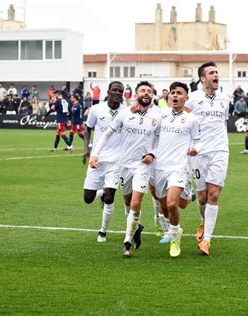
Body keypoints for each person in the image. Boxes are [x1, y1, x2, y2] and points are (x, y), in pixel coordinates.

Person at [90, 81, 162, 257]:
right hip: (123, 165)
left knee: (136, 203)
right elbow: (107, 134)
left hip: (142, 165)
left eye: (149, 91)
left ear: (152, 95)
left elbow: (161, 140)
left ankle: (127, 242)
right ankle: (136, 229)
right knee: (128, 203)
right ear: (136, 94)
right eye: (142, 91)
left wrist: (152, 153)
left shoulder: (158, 116)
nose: (146, 93)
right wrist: (95, 154)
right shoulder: (124, 113)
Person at [186, 61, 230, 256]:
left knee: (214, 195)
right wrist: (190, 146)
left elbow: (223, 122)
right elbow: (183, 122)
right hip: (198, 153)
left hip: (220, 151)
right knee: (202, 197)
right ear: (203, 78)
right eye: (211, 72)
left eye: (217, 72)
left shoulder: (224, 98)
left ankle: (207, 240)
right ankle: (203, 221)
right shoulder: (192, 99)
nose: (216, 75)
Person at [153, 81, 200, 257]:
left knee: (172, 203)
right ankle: (187, 197)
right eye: (172, 92)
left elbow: (198, 140)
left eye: (179, 93)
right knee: (167, 204)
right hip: (159, 167)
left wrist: (196, 149)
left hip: (179, 167)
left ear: (186, 98)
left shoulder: (192, 119)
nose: (175, 95)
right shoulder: (160, 114)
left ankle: (174, 238)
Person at [83, 81, 125, 243]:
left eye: (120, 91)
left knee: (109, 198)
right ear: (108, 91)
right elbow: (87, 128)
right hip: (97, 159)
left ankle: (102, 232)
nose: (117, 93)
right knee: (87, 198)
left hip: (116, 161)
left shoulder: (126, 111)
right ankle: (99, 193)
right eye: (114, 90)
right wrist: (86, 148)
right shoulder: (96, 109)